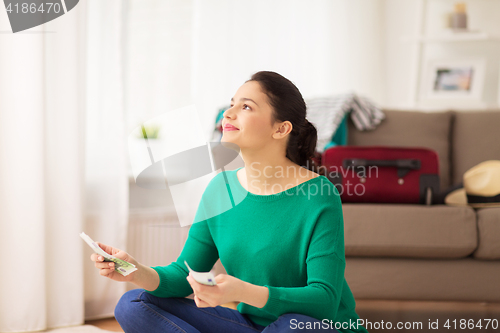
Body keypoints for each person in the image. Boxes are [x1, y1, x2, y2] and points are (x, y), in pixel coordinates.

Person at [90, 71, 369, 333]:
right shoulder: (220, 189)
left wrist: (242, 292)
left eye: (246, 107)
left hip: (311, 326)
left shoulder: (318, 195)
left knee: (290, 325)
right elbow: (181, 274)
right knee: (134, 303)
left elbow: (325, 300)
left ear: (281, 129)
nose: (229, 113)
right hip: (250, 325)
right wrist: (136, 271)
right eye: (232, 104)